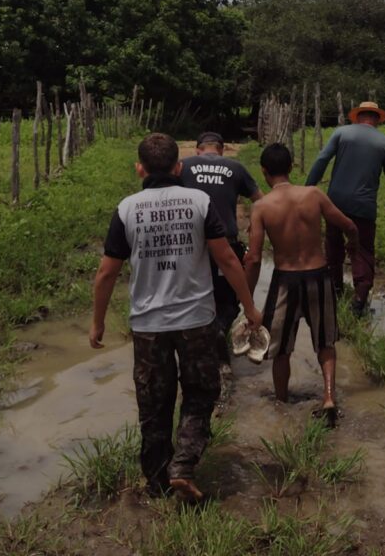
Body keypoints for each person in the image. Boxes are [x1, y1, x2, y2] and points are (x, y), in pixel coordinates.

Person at [90, 133, 262, 502]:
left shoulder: (127, 208)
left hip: (148, 325)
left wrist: (98, 323)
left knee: (153, 404)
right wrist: (249, 308)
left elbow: (106, 273)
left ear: (139, 169)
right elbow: (227, 259)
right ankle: (183, 464)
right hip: (196, 319)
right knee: (201, 393)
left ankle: (157, 484)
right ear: (178, 167)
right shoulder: (199, 202)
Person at [245, 143, 358, 427]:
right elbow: (349, 225)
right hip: (319, 276)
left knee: (281, 349)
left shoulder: (261, 207)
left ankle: (281, 404)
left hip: (285, 281)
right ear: (291, 167)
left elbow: (255, 257)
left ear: (264, 171)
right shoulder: (314, 195)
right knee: (325, 342)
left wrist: (247, 298)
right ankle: (329, 397)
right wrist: (352, 245)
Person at [180, 131, 263, 382]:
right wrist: (255, 222)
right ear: (222, 149)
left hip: (191, 245)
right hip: (226, 245)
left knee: (193, 297)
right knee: (228, 300)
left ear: (198, 149)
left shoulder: (183, 166)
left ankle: (197, 353)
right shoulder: (235, 168)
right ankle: (219, 332)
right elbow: (260, 201)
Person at [305, 100, 385, 315]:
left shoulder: (342, 133)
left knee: (333, 244)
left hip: (335, 202)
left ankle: (335, 287)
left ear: (357, 117)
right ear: (377, 119)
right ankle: (359, 298)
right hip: (364, 206)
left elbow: (322, 159)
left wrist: (308, 187)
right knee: (363, 250)